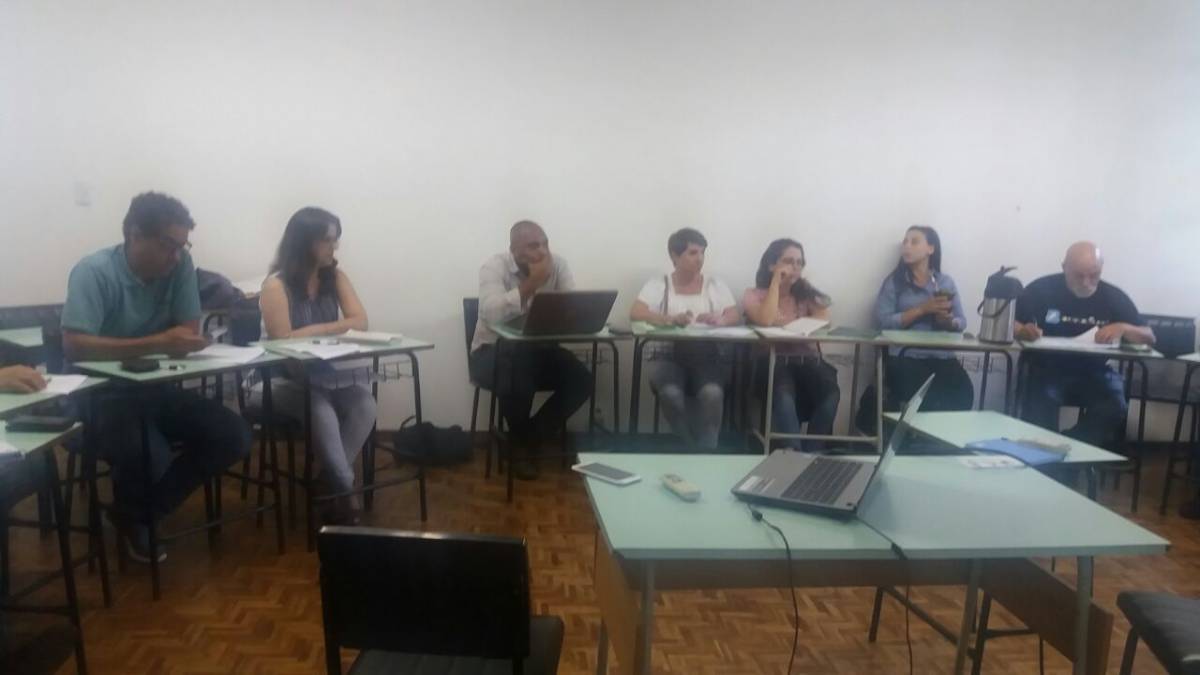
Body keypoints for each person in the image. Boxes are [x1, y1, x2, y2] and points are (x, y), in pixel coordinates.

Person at [61, 191, 251, 563]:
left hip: (155, 389)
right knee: (152, 454)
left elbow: (187, 330)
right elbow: (75, 347)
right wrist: (157, 342)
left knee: (235, 435)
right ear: (135, 235)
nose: (176, 255)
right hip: (99, 395)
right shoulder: (93, 271)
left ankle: (137, 513)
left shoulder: (180, 267)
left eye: (182, 246)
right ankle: (137, 516)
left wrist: (176, 341)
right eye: (168, 245)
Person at [259, 207, 376, 525]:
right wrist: (335, 328)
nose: (333, 247)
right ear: (304, 241)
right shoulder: (275, 285)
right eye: (327, 240)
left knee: (365, 403)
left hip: (325, 375)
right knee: (319, 409)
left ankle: (327, 482)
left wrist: (312, 331)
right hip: (278, 380)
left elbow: (361, 321)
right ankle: (345, 492)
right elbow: (282, 340)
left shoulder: (334, 277)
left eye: (335, 240)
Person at [469, 221, 591, 480]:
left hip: (539, 353)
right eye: (533, 246)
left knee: (582, 379)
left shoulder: (558, 265)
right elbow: (491, 313)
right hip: (490, 354)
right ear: (514, 249)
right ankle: (521, 448)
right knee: (518, 363)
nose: (543, 251)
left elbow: (572, 306)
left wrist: (578, 315)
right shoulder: (494, 267)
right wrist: (532, 284)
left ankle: (526, 438)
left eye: (545, 243)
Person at [1015, 241, 1155, 449]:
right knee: (1041, 401)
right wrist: (1022, 330)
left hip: (1094, 371)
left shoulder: (1112, 296)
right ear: (1064, 268)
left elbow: (1149, 337)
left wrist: (1124, 328)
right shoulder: (1041, 289)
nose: (1086, 282)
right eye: (1078, 275)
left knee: (1115, 404)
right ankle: (1047, 455)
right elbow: (1009, 321)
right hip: (1046, 368)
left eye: (1094, 275)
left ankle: (1071, 448)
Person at [629, 228, 739, 449]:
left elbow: (734, 315)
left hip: (708, 358)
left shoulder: (714, 284)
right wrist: (668, 319)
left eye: (702, 253)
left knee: (712, 394)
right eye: (693, 253)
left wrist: (720, 319)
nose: (700, 259)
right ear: (674, 255)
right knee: (670, 394)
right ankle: (688, 444)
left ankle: (708, 448)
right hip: (667, 357)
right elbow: (636, 312)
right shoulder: (659, 283)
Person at [743, 239, 839, 450]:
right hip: (773, 361)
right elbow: (765, 319)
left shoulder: (805, 293)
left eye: (799, 262)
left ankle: (812, 452)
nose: (795, 267)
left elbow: (824, 320)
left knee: (830, 392)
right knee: (784, 393)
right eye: (788, 261)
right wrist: (776, 283)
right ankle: (794, 453)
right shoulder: (754, 294)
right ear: (771, 264)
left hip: (807, 360)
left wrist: (785, 322)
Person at [873, 225, 974, 411]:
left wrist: (949, 322)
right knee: (928, 398)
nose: (907, 246)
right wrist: (921, 309)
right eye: (905, 242)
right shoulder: (895, 282)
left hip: (942, 356)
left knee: (964, 393)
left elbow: (962, 322)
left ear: (931, 249)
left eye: (914, 242)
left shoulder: (945, 282)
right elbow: (882, 321)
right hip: (906, 356)